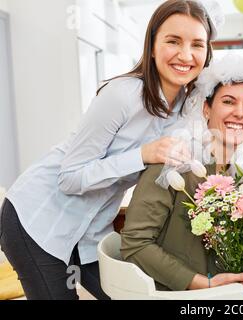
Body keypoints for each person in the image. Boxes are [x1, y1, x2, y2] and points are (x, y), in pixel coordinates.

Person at [0, 0, 222, 300]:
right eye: (173, 41)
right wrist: (142, 155)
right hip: (38, 222)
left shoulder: (186, 109)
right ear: (152, 46)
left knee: (127, 296)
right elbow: (70, 178)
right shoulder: (122, 95)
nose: (186, 54)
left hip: (91, 232)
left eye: (197, 44)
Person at [120, 52, 243, 300]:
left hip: (232, 292)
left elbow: (239, 248)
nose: (239, 113)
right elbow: (135, 244)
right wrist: (205, 285)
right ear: (206, 108)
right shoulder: (172, 164)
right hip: (182, 296)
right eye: (228, 101)